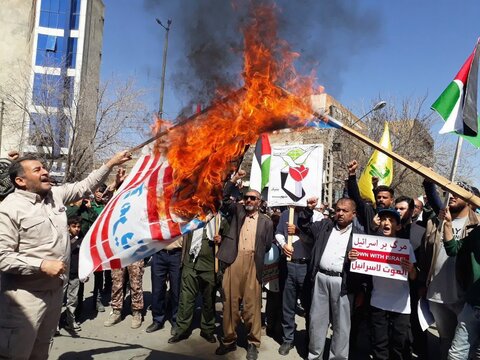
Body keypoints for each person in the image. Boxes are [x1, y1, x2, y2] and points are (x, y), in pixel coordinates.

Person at [0, 150, 132, 359]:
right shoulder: (9, 209)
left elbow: (85, 186)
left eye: (44, 167)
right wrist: (41, 264)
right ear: (20, 181)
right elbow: (2, 257)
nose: (45, 171)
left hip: (54, 295)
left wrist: (111, 163)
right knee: (16, 353)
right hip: (23, 300)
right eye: (38, 170)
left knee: (41, 350)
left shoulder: (55, 195)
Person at [418, 180, 480, 360]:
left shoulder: (475, 225)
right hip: (439, 295)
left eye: (458, 193)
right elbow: (452, 249)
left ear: (472, 201)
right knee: (451, 346)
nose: (451, 196)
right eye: (449, 192)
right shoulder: (439, 221)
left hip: (463, 295)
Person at [215, 169, 273, 360]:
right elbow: (223, 199)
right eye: (247, 197)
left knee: (251, 307)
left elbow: (267, 244)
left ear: (259, 203)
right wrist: (234, 179)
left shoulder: (266, 222)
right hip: (234, 261)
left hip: (254, 264)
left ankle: (253, 343)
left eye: (253, 199)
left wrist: (255, 259)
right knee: (230, 304)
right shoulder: (237, 212)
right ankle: (229, 340)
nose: (249, 201)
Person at [298, 197, 365, 360]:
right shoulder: (324, 226)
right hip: (320, 279)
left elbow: (365, 268)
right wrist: (308, 210)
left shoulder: (360, 236)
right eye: (338, 209)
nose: (340, 213)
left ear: (353, 214)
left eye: (345, 210)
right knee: (317, 323)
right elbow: (304, 226)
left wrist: (355, 261)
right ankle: (315, 356)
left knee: (341, 327)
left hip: (343, 284)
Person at [350, 208, 417, 360]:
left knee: (398, 344)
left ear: (398, 227)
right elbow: (359, 266)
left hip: (401, 306)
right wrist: (353, 257)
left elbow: (413, 276)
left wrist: (411, 270)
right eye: (383, 220)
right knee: (379, 345)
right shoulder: (370, 244)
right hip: (378, 303)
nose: (386, 223)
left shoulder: (405, 247)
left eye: (391, 220)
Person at [168, 216, 223, 344]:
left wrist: (221, 239)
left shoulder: (221, 219)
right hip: (190, 265)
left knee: (209, 301)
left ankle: (207, 329)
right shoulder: (192, 219)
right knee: (185, 300)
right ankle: (181, 330)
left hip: (209, 267)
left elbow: (229, 239)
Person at [441, 197, 480, 360]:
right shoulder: (478, 233)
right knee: (458, 353)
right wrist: (448, 224)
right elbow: (453, 249)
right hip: (473, 304)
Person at [275, 207, 313, 356]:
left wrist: (298, 232)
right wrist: (283, 244)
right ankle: (288, 339)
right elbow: (278, 233)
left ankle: (310, 340)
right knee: (288, 304)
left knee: (309, 306)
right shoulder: (286, 213)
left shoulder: (315, 216)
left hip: (306, 266)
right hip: (288, 266)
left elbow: (314, 240)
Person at [146, 236, 183, 335]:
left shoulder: (184, 219)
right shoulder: (158, 219)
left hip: (177, 254)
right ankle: (158, 320)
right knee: (157, 290)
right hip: (159, 254)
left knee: (176, 290)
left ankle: (176, 321)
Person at [346, 160, 395, 234]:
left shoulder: (395, 215)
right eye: (379, 197)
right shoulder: (369, 211)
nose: (381, 200)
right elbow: (355, 197)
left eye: (384, 198)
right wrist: (352, 173)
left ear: (391, 200)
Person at [63, 216, 83, 333]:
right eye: (74, 226)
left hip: (75, 274)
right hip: (63, 274)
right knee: (59, 300)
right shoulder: (63, 239)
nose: (77, 229)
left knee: (72, 300)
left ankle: (70, 321)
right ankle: (54, 325)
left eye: (78, 227)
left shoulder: (81, 239)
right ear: (68, 227)